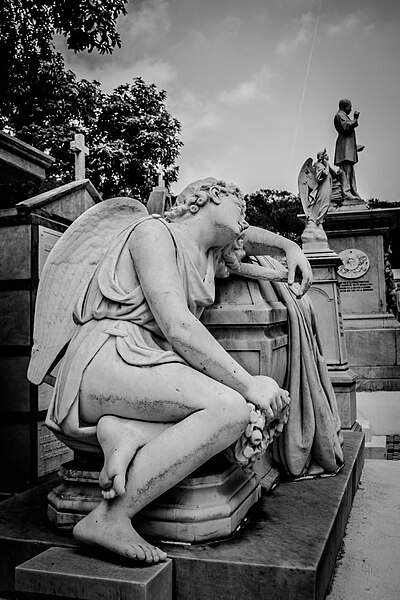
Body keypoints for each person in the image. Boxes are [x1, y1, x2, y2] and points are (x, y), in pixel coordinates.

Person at [29, 178, 342, 564]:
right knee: (231, 409)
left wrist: (289, 246)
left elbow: (248, 239)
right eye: (239, 206)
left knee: (230, 409)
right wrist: (250, 384)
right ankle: (109, 518)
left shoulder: (206, 257)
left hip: (143, 361)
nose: (243, 219)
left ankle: (127, 430)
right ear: (208, 197)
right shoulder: (152, 233)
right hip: (107, 357)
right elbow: (178, 325)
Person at [334, 98, 364, 201]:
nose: (351, 109)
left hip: (348, 147)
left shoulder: (343, 116)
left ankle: (353, 191)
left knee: (350, 172)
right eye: (350, 107)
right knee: (346, 171)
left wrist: (355, 148)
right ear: (344, 106)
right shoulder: (339, 115)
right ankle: (346, 193)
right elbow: (346, 127)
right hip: (344, 148)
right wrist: (355, 119)